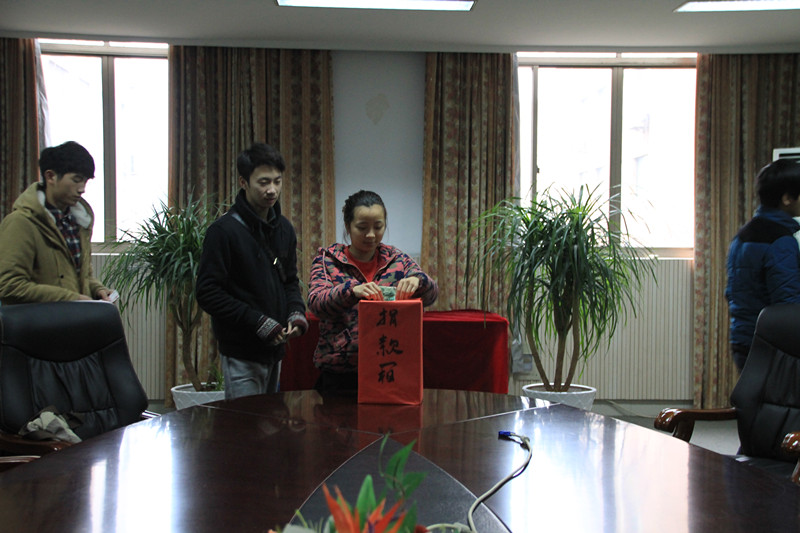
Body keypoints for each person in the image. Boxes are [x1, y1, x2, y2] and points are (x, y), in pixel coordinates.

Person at [196, 142, 308, 400]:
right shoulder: (223, 232)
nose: (272, 190)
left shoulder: (284, 229)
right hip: (241, 352)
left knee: (270, 421)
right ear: (243, 182)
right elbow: (207, 293)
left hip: (275, 350)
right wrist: (257, 322)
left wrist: (296, 312)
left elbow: (290, 281)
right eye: (263, 182)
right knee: (244, 422)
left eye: (277, 181)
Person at [308, 189, 438, 393]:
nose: (370, 235)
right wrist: (352, 291)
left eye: (378, 227)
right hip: (341, 372)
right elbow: (317, 303)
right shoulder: (327, 261)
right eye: (362, 227)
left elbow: (432, 295)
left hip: (390, 368)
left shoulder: (397, 260)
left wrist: (418, 281)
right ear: (348, 226)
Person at [0, 141, 112, 304]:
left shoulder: (78, 223)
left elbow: (82, 276)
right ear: (50, 176)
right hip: (40, 319)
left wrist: (98, 290)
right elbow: (8, 285)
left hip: (74, 316)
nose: (82, 189)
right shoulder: (21, 223)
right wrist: (72, 298)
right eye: (76, 180)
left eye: (85, 181)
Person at [726, 158, 800, 371]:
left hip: (743, 340)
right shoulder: (780, 241)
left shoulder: (742, 236)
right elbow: (788, 306)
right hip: (772, 347)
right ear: (787, 198)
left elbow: (731, 294)